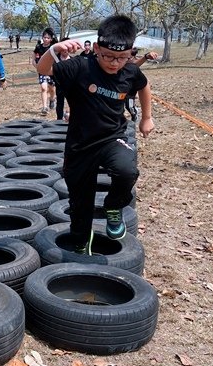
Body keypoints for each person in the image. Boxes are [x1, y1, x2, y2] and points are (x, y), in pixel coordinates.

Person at [36, 14, 154, 255]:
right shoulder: (80, 67)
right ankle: (81, 242)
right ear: (97, 48)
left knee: (126, 170)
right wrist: (54, 49)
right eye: (108, 56)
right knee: (80, 202)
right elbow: (43, 68)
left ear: (131, 52)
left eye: (121, 57)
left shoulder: (129, 72)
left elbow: (143, 86)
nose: (114, 63)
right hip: (80, 144)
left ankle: (113, 206)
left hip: (112, 138)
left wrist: (146, 117)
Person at [33, 28, 58, 115]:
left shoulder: (53, 47)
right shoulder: (38, 47)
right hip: (42, 71)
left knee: (51, 88)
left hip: (51, 71)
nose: (46, 39)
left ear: (51, 39)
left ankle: (52, 98)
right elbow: (34, 58)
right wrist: (36, 65)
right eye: (44, 37)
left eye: (48, 38)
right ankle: (44, 107)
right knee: (44, 88)